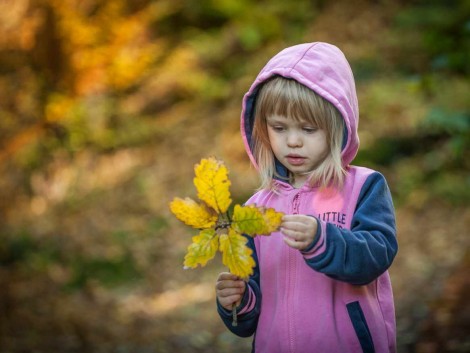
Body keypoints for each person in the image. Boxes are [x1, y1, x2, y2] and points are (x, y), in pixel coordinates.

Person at [215, 42, 398, 353]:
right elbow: (247, 321)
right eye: (279, 128)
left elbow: (377, 254)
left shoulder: (363, 187)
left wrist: (323, 241)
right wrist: (237, 301)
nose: (293, 141)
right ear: (262, 129)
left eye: (309, 128)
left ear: (339, 126)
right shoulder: (253, 212)